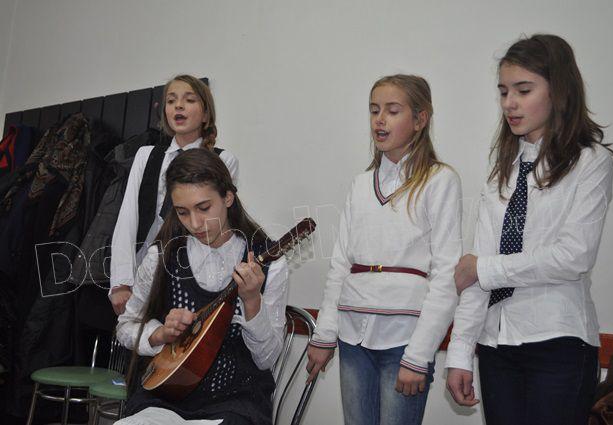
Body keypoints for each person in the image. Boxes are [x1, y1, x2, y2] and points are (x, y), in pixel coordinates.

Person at [445, 34, 613, 425]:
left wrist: (484, 268)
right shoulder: (502, 169)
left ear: (559, 91)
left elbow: (573, 257)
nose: (509, 103)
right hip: (496, 346)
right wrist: (459, 353)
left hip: (559, 343)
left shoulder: (591, 162)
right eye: (503, 91)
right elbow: (473, 271)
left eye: (523, 90)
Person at [306, 74, 462, 425]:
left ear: (420, 120)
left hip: (405, 340)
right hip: (352, 336)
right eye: (374, 110)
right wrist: (324, 333)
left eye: (392, 111)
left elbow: (446, 273)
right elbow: (341, 264)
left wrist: (419, 355)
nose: (380, 120)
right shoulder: (361, 184)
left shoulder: (440, 180)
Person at [115, 148, 287, 425]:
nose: (194, 224)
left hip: (236, 403)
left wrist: (252, 301)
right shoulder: (162, 256)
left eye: (204, 208)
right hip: (165, 397)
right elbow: (125, 326)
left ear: (228, 197)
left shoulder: (269, 262)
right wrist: (160, 334)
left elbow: (266, 359)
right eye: (182, 212)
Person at [110, 74, 240, 315]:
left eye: (189, 100)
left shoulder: (222, 159)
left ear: (205, 114)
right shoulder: (146, 155)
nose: (178, 106)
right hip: (140, 275)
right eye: (171, 101)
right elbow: (127, 218)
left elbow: (216, 226)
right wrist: (120, 282)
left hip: (189, 275)